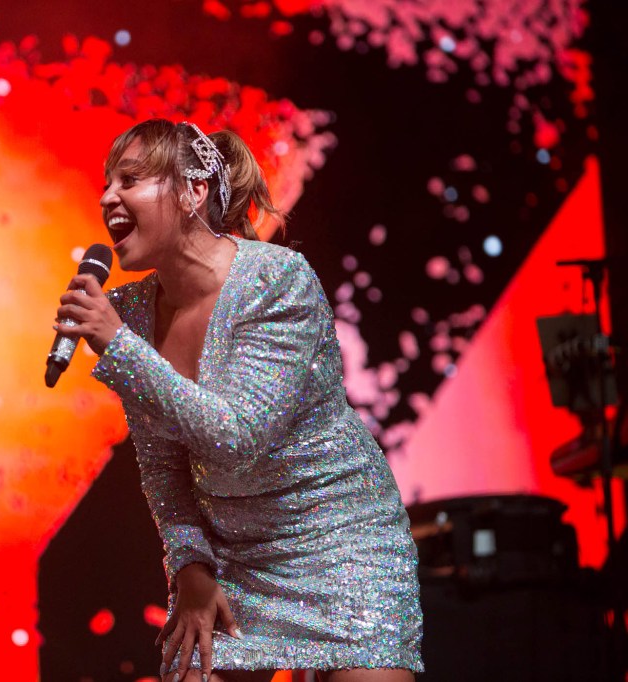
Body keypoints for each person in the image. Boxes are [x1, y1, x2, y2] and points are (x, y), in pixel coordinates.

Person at [54, 119, 423, 682]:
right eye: (106, 184)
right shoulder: (130, 311)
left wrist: (117, 346)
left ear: (192, 191)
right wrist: (191, 565)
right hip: (235, 559)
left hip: (342, 545)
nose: (107, 198)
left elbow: (237, 437)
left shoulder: (278, 280)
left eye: (128, 180)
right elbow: (163, 464)